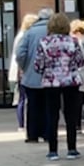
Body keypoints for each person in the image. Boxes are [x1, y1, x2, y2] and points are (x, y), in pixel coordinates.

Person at [33, 13, 84, 161]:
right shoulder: (73, 41)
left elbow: (38, 65)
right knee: (71, 115)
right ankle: (72, 149)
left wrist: (48, 70)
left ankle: (53, 150)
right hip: (70, 81)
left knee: (52, 115)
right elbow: (80, 62)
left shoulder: (44, 42)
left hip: (51, 82)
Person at [16, 8, 51, 144]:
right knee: (49, 106)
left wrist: (26, 67)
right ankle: (48, 133)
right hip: (51, 77)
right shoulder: (55, 32)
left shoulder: (29, 33)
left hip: (31, 76)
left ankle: (33, 135)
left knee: (33, 106)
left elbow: (20, 54)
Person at [9, 13, 39, 133]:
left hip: (21, 70)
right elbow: (20, 55)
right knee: (24, 98)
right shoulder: (25, 36)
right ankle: (23, 124)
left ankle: (22, 124)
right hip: (23, 71)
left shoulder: (22, 35)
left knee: (22, 98)